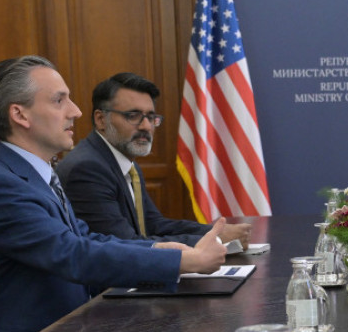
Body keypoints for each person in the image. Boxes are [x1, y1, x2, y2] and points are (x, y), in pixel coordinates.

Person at [0, 56, 227, 332]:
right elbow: (74, 255)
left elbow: (86, 238)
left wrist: (161, 250)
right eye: (59, 100)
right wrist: (182, 262)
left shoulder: (38, 174)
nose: (76, 111)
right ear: (20, 114)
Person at [56, 72, 251, 246]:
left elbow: (154, 224)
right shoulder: (87, 169)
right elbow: (124, 245)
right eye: (133, 115)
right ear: (101, 120)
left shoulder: (126, 164)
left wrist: (214, 231)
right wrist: (214, 239)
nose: (146, 126)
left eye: (150, 117)